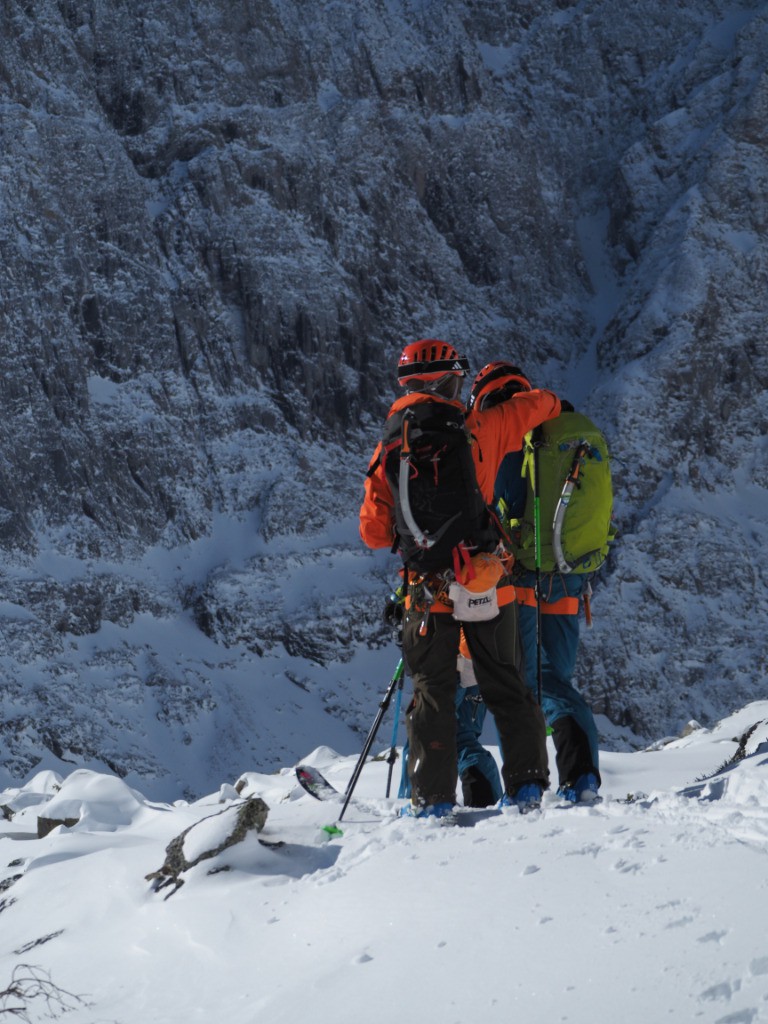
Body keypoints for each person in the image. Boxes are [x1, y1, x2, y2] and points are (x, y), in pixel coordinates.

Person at [360, 340, 561, 819]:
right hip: (483, 579)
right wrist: (554, 406)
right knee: (505, 682)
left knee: (433, 690)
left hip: (424, 589)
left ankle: (432, 802)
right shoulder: (481, 427)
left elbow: (371, 533)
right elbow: (541, 404)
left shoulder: (391, 443)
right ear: (453, 381)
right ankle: (528, 789)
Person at [467, 361, 601, 803]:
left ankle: (529, 785)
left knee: (523, 686)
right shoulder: (566, 429)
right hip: (570, 575)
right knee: (554, 680)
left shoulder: (510, 437)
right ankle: (580, 777)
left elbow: (498, 507)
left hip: (522, 576)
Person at [397, 630, 503, 808]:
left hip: (450, 661)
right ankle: (485, 803)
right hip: (478, 656)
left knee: (424, 733)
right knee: (462, 737)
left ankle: (420, 802)